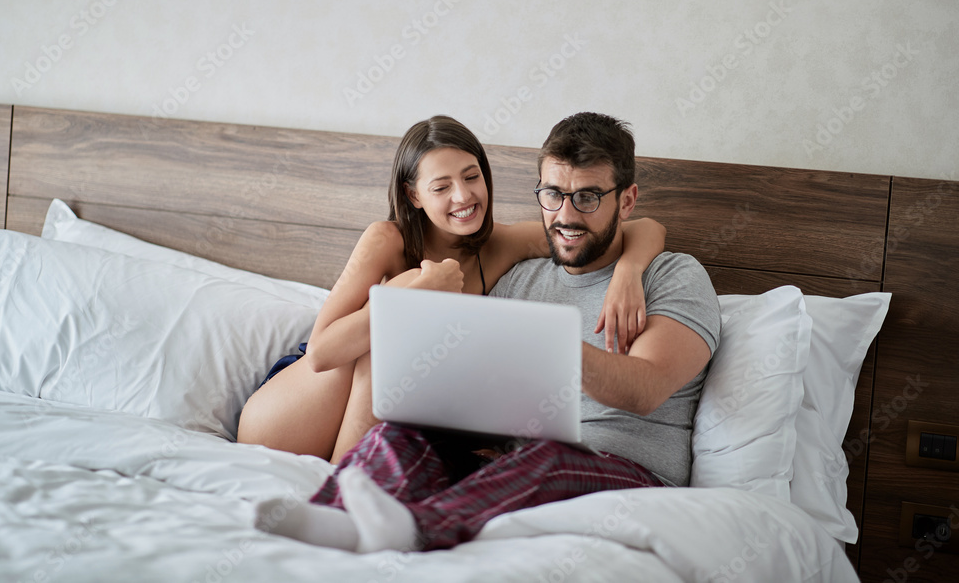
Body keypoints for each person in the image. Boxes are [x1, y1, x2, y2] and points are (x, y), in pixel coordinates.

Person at [253, 111, 722, 552]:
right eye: (553, 194)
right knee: (398, 435)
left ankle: (415, 529)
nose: (566, 215)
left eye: (587, 197)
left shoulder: (673, 276)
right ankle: (338, 517)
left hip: (623, 470)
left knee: (549, 459)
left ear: (627, 200)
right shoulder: (520, 275)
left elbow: (644, 390)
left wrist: (617, 279)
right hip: (507, 461)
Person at [237, 115, 667, 463]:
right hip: (292, 409)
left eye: (472, 176)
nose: (463, 196)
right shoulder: (386, 239)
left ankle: (359, 479)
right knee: (395, 322)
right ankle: (344, 482)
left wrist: (628, 274)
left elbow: (640, 227)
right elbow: (320, 353)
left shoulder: (500, 244)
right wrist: (420, 289)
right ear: (414, 196)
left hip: (381, 413)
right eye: (441, 187)